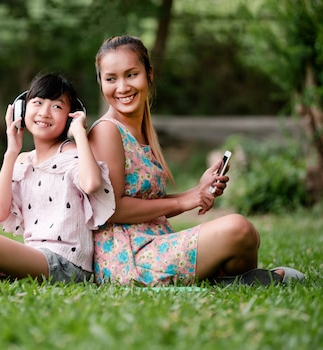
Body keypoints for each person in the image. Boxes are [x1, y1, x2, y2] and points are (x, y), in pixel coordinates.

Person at [87, 35, 304, 286]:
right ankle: (237, 280)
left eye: (131, 74)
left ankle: (227, 281)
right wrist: (184, 201)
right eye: (111, 78)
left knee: (248, 236)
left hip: (154, 241)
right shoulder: (107, 131)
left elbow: (145, 201)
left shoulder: (141, 129)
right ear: (100, 82)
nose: (122, 87)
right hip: (126, 257)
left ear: (149, 74)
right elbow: (113, 208)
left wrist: (198, 191)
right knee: (238, 229)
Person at [0, 73, 115, 283]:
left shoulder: (71, 153)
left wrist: (79, 134)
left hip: (65, 264)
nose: (44, 112)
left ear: (72, 115)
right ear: (22, 109)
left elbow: (92, 183)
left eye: (57, 107)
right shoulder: (23, 160)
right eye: (38, 103)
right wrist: (11, 152)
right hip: (34, 255)